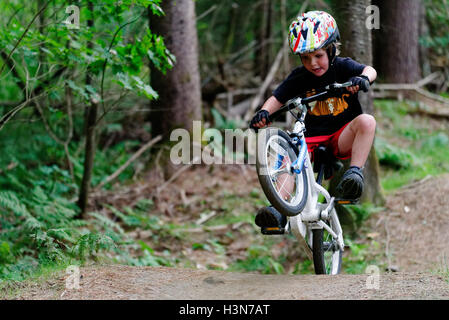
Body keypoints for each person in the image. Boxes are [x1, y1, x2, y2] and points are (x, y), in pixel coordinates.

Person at [249, 11, 377, 230]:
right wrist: (263, 113)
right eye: (306, 58)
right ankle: (279, 211)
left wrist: (363, 78)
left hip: (341, 136)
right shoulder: (300, 77)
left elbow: (370, 69)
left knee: (367, 122)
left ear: (330, 50)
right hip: (309, 139)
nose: (313, 63)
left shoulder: (343, 67)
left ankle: (354, 175)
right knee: (289, 162)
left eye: (318, 56)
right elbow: (277, 98)